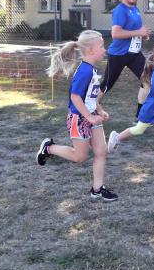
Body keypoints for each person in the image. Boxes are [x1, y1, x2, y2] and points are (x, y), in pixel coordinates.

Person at [36, 30, 118, 202]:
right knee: (80, 157)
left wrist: (99, 110)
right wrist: (90, 117)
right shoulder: (84, 71)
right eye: (101, 46)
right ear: (91, 50)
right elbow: (75, 97)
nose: (105, 49)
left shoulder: (93, 69)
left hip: (91, 115)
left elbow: (90, 96)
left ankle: (97, 190)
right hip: (79, 119)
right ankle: (49, 148)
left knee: (101, 151)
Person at [97, 0, 151, 118]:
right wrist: (138, 32)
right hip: (118, 55)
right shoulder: (120, 11)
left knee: (148, 80)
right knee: (107, 84)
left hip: (134, 54)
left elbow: (135, 31)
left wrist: (143, 35)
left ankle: (141, 116)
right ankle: (91, 108)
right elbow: (115, 34)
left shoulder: (135, 10)